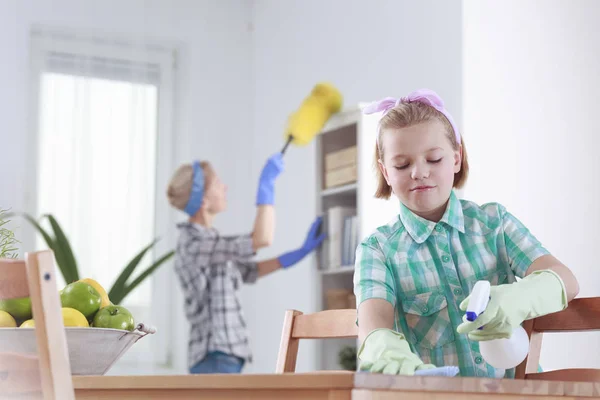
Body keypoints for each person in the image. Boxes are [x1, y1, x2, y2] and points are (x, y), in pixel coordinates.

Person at [353, 89, 579, 378]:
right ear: (386, 173)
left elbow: (567, 280)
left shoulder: (495, 224)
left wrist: (521, 296)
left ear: (456, 159)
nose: (419, 172)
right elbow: (374, 330)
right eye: (402, 164)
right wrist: (386, 351)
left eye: (433, 159)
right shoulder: (378, 250)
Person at [167, 153, 324, 374]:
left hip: (223, 356)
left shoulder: (209, 242)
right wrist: (266, 186)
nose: (225, 188)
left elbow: (250, 270)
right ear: (203, 200)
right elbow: (261, 238)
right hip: (215, 357)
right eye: (218, 184)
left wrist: (296, 254)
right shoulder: (194, 243)